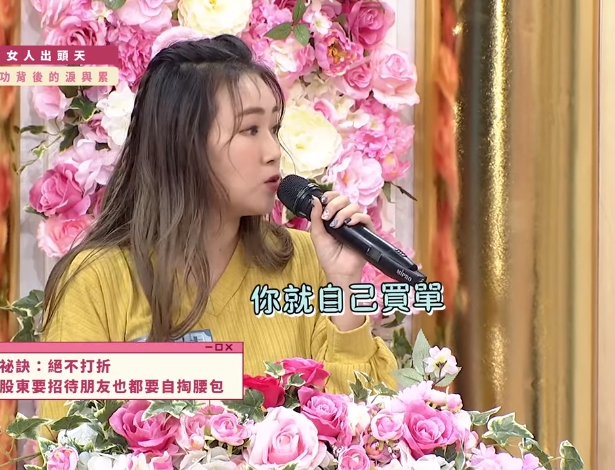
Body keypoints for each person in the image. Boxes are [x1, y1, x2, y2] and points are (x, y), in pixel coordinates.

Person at [39, 34, 397, 422]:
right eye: (250, 130)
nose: (273, 152)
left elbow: (362, 425)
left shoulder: (308, 259)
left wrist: (344, 287)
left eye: (274, 129)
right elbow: (65, 440)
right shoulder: (96, 281)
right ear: (183, 144)